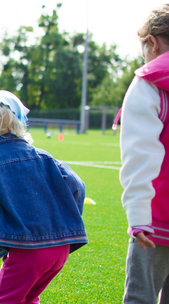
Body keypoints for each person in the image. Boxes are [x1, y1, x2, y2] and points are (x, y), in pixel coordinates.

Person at [0, 90, 88, 304]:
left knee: (7, 300)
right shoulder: (45, 157)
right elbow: (78, 186)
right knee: (28, 297)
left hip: (27, 251)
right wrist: (64, 221)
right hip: (60, 250)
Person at [119, 5, 169, 303]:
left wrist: (139, 217)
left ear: (152, 43)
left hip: (157, 220)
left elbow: (140, 154)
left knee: (141, 296)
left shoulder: (150, 83)